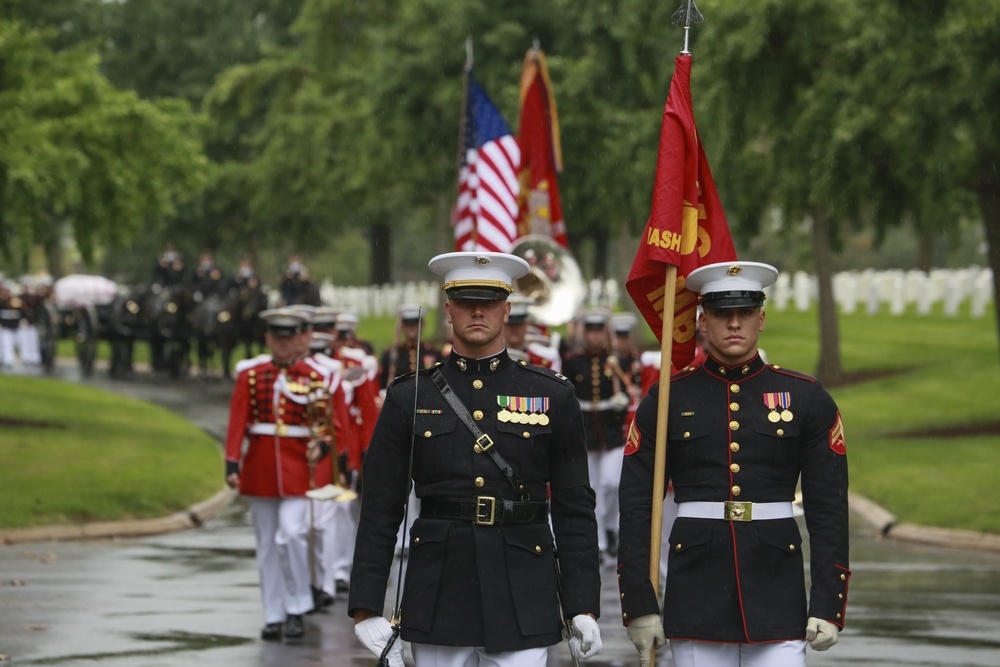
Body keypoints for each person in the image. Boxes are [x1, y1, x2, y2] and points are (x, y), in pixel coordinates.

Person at [349, 251, 603, 667]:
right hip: (439, 589)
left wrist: (583, 604)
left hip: (524, 585)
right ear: (448, 310)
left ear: (507, 309)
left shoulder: (553, 394)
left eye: (489, 302)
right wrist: (364, 605)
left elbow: (575, 506)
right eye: (466, 301)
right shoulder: (409, 396)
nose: (478, 311)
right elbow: (380, 506)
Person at [617, 261, 850, 667]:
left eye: (745, 314)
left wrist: (829, 602)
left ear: (762, 319)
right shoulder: (669, 398)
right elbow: (637, 507)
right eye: (723, 314)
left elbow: (828, 507)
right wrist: (638, 602)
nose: (735, 324)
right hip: (696, 593)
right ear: (702, 322)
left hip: (778, 593)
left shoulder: (805, 397)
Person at [224, 307, 347, 642]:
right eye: (276, 337)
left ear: (299, 340)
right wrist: (232, 462)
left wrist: (320, 449)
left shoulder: (315, 377)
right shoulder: (251, 376)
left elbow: (330, 429)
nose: (282, 343)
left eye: (288, 337)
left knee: (291, 534)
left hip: (299, 472)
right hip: (260, 470)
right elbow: (238, 421)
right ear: (267, 338)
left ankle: (296, 606)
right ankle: (274, 613)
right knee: (266, 545)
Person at [561, 308, 632, 560]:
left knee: (612, 483)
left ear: (605, 332)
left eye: (599, 330)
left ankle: (611, 527)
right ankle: (601, 542)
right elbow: (566, 397)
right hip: (586, 435)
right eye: (590, 330)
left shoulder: (617, 361)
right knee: (593, 489)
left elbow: (629, 392)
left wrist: (622, 399)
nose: (594, 336)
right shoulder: (572, 361)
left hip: (612, 435)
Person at [378, 303, 444, 389]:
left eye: (415, 323)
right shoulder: (391, 355)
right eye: (408, 324)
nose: (412, 327)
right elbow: (383, 385)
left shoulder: (434, 353)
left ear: (423, 325)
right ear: (402, 326)